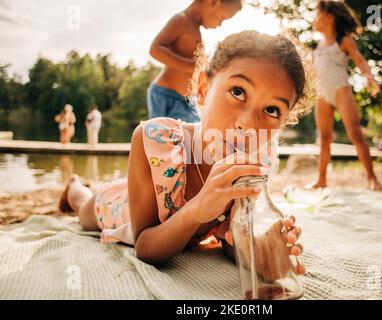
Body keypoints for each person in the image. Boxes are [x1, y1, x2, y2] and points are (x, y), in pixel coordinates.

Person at [58, 31, 309, 280]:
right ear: (203, 88)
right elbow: (145, 246)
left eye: (272, 109)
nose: (247, 124)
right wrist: (198, 208)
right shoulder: (156, 140)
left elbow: (228, 237)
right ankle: (73, 186)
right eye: (238, 92)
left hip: (157, 203)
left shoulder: (256, 161)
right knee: (84, 208)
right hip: (118, 206)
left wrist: (259, 252)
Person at [307, 0, 382, 191]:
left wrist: (370, 78)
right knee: (324, 138)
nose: (314, 18)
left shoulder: (343, 40)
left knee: (356, 134)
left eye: (317, 14)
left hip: (341, 90)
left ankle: (372, 178)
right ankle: (321, 179)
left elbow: (359, 59)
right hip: (322, 95)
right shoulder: (317, 47)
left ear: (329, 17)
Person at [147, 0, 242, 122]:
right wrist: (191, 66)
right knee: (161, 136)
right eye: (222, 18)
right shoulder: (181, 20)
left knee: (193, 133)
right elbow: (155, 49)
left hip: (186, 100)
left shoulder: (195, 29)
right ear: (213, 2)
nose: (220, 24)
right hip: (166, 96)